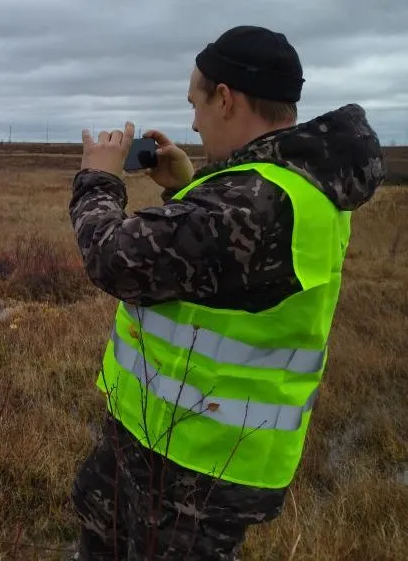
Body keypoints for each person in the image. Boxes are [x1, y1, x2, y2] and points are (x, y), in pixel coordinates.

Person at [66, 25, 386, 560]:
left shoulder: (258, 203)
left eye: (196, 102)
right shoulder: (289, 184)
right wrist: (184, 186)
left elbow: (114, 259)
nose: (193, 120)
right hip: (188, 453)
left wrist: (98, 179)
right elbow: (219, 264)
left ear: (225, 97)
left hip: (192, 467)